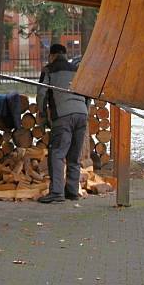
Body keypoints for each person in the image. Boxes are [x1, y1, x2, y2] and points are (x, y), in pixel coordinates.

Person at [36, 44, 88, 203]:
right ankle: (72, 191)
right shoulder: (77, 70)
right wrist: (85, 111)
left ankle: (57, 193)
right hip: (82, 114)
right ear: (65, 55)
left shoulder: (48, 70)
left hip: (63, 116)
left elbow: (42, 93)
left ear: (52, 55)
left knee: (57, 154)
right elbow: (87, 93)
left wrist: (43, 116)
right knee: (74, 155)